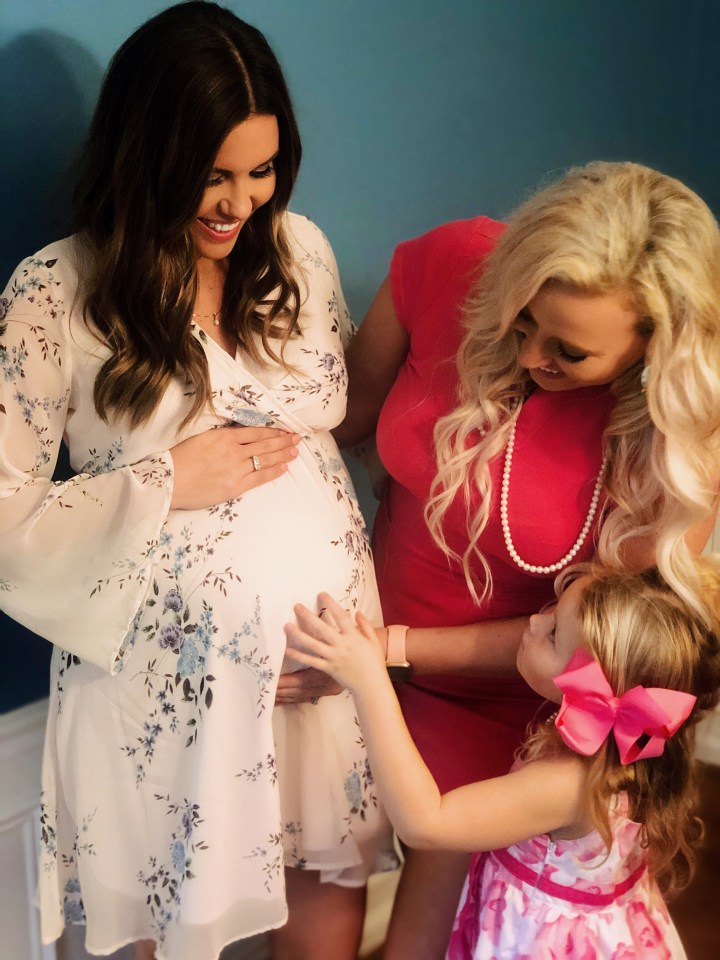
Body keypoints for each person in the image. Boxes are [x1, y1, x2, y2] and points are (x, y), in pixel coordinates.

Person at [0, 4, 395, 959]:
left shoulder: (299, 251)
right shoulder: (55, 292)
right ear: (145, 154)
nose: (239, 203)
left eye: (262, 170)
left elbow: (332, 430)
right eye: (211, 175)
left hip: (320, 672)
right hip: (165, 693)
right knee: (165, 914)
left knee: (329, 886)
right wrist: (163, 478)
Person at [323, 160, 720, 958]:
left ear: (653, 344)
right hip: (357, 641)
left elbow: (580, 643)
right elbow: (340, 418)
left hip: (513, 693)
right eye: (523, 321)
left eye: (569, 351)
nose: (533, 353)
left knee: (427, 921)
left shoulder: (672, 453)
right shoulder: (453, 262)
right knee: (314, 892)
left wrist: (390, 650)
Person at [284, 565, 720, 959]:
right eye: (550, 610)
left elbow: (424, 822)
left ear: (594, 688)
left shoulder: (567, 782)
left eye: (553, 633)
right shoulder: (625, 753)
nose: (533, 622)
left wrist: (368, 680)